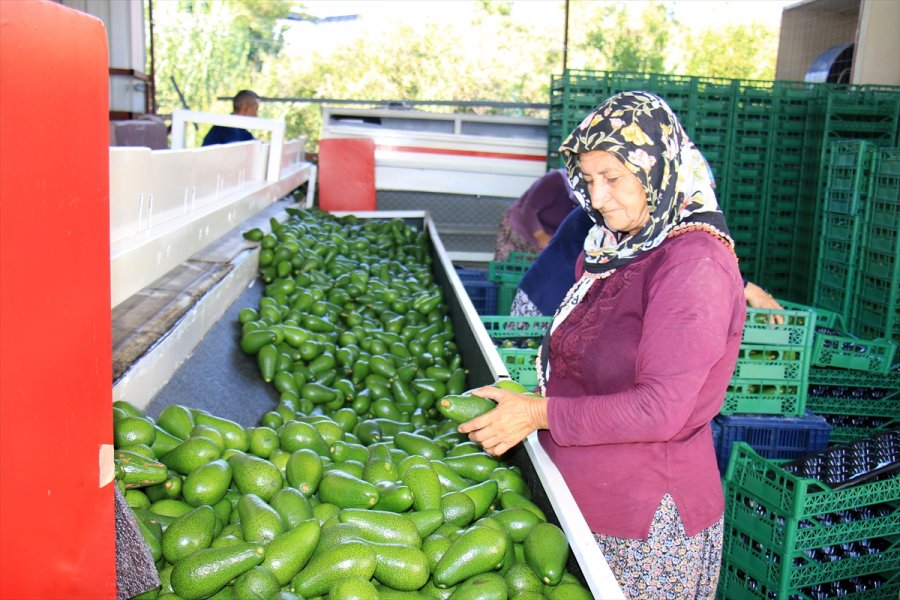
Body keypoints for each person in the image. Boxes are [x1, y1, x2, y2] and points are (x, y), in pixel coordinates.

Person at [460, 91, 746, 597]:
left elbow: (660, 409)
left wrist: (537, 413)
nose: (598, 196)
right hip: (582, 504)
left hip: (639, 526)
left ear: (656, 167)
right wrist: (528, 399)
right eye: (589, 180)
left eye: (613, 177)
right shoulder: (620, 247)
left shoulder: (692, 264)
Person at [509, 191, 784, 318]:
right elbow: (663, 244)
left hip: (557, 299)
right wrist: (743, 285)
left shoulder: (631, 199)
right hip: (550, 303)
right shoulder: (623, 204)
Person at [494, 167, 578, 261]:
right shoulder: (555, 180)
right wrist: (540, 236)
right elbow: (528, 209)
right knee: (511, 267)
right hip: (521, 225)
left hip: (550, 232)